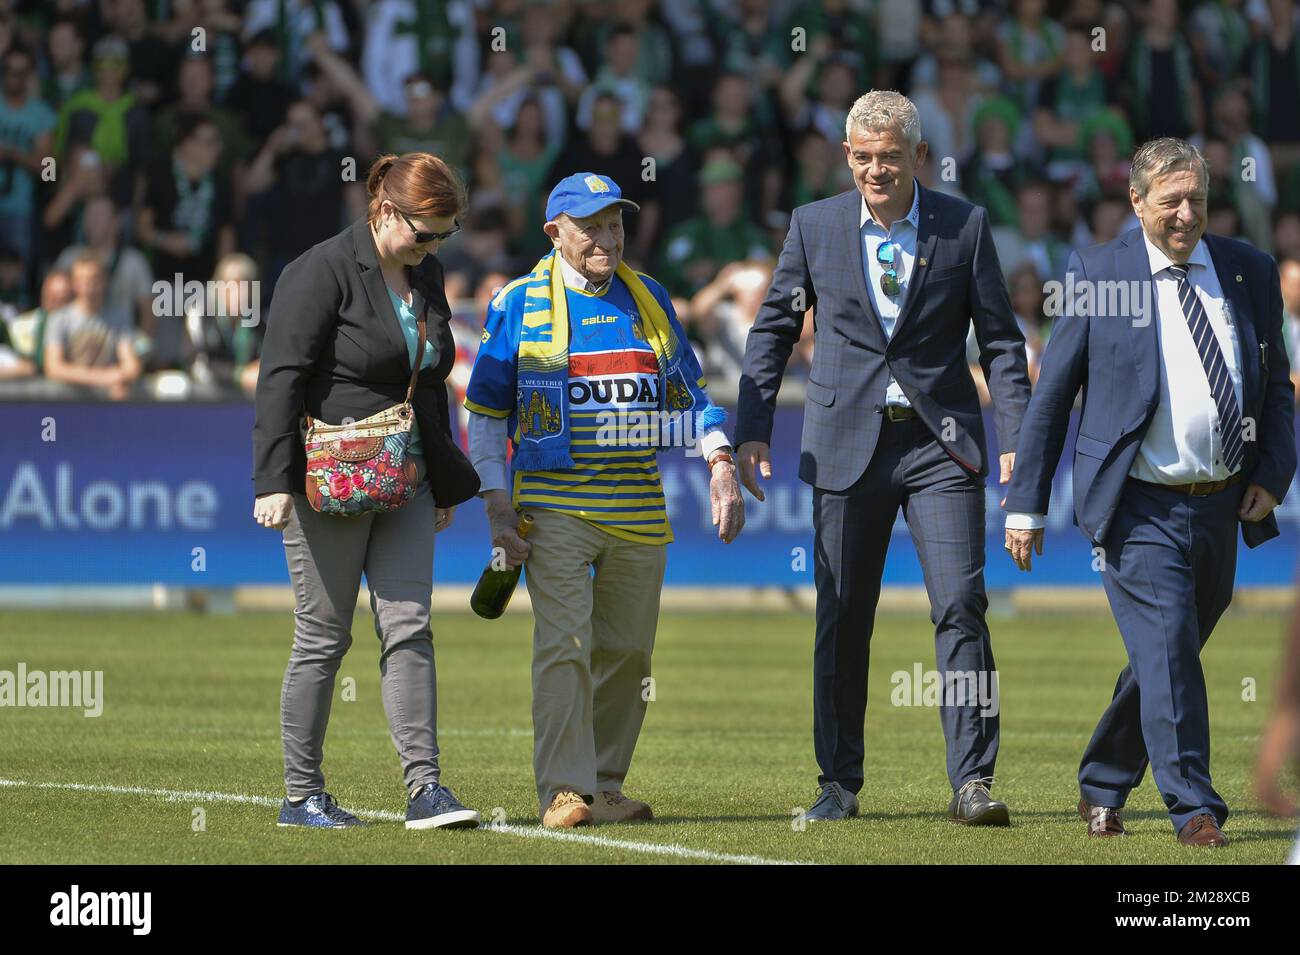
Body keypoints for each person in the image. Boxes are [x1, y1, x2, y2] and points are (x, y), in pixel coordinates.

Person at [734, 90, 1031, 825]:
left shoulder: (965, 226)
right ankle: (838, 783)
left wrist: (1019, 438)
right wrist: (752, 426)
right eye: (862, 157)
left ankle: (973, 782)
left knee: (961, 606)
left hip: (941, 445)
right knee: (841, 612)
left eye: (889, 157)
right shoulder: (814, 225)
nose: (875, 170)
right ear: (846, 156)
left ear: (918, 156)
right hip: (844, 444)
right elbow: (773, 328)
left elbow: (999, 342)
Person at [1003, 138, 1297, 846]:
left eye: (1196, 198)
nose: (1186, 213)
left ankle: (1104, 779)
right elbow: (1052, 394)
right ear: (1136, 203)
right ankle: (1192, 805)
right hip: (1138, 505)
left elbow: (1277, 391)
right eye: (1170, 201)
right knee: (1169, 647)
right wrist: (1024, 500)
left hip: (1224, 502)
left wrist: (1270, 475)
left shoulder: (1250, 271)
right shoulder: (1096, 272)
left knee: (1167, 653)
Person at [465, 172, 744, 828]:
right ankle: (564, 789)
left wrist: (721, 462)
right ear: (553, 233)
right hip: (554, 505)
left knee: (628, 652)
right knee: (564, 642)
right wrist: (496, 505)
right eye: (589, 225)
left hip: (640, 508)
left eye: (615, 223)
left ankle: (605, 783)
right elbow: (485, 416)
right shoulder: (516, 303)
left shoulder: (647, 297)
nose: (606, 238)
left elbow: (691, 398)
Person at [252, 152, 482, 830]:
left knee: (410, 625)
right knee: (323, 636)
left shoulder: (427, 274)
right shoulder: (318, 271)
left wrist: (441, 479)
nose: (435, 245)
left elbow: (430, 383)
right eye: (426, 231)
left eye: (446, 233)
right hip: (328, 477)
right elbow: (280, 378)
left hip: (407, 474)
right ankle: (302, 795)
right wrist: (272, 480)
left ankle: (426, 788)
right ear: (385, 211)